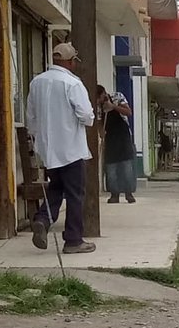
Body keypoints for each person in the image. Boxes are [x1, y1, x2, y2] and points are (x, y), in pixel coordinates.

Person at [25, 42, 96, 254]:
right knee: (75, 195)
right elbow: (87, 116)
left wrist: (40, 141)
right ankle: (73, 240)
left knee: (55, 188)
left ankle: (42, 219)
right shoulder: (72, 83)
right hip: (71, 149)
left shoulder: (37, 82)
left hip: (48, 150)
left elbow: (31, 118)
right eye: (74, 61)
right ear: (70, 61)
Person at [97, 85, 136, 204]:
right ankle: (114, 194)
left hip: (123, 138)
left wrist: (113, 106)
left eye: (100, 97)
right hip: (110, 139)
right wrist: (101, 134)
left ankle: (129, 193)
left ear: (104, 93)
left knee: (126, 168)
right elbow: (99, 123)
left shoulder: (117, 97)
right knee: (111, 169)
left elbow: (128, 112)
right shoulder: (98, 107)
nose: (99, 101)